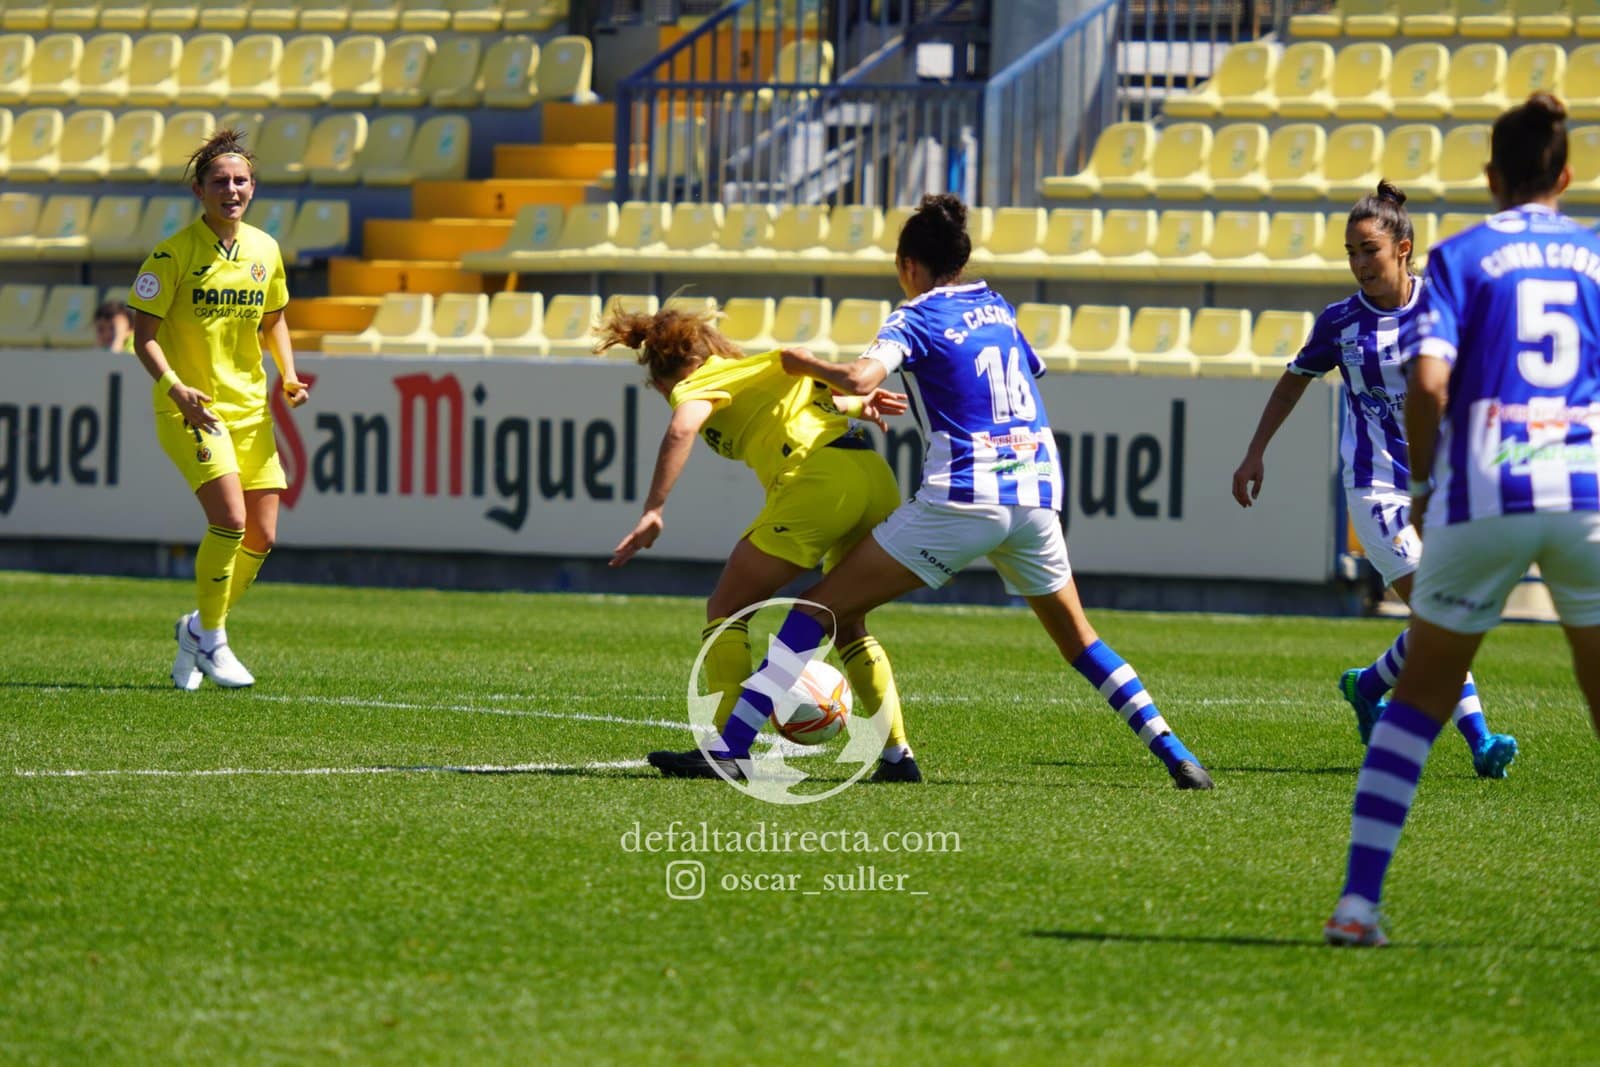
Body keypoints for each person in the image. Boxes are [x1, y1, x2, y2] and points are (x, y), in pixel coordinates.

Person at [648, 194, 1214, 789]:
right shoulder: (998, 307)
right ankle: (1177, 756)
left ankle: (733, 746)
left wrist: (809, 364)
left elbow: (864, 374)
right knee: (1080, 641)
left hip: (963, 497)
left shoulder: (913, 315)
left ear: (908, 264)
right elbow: (1024, 371)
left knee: (815, 609)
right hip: (1039, 492)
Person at [1325, 93, 1600, 946]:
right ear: (1566, 174)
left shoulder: (1460, 256)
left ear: (1489, 178)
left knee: (1416, 705)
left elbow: (1431, 386)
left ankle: (1358, 904)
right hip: (1585, 490)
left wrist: (1426, 488)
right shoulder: (1594, 254)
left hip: (1483, 491)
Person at [1232, 181, 1518, 778]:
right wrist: (1255, 451)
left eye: (1371, 250)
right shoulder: (1339, 322)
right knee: (1440, 612)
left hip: (1439, 489)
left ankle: (1368, 686)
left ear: (1403, 249)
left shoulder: (1442, 309)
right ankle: (1480, 740)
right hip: (1377, 488)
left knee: (1447, 612)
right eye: (1352, 252)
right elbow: (1292, 383)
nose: (1361, 263)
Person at [601, 303, 922, 782]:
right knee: (846, 619)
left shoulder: (696, 383)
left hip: (820, 483)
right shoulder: (756, 370)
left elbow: (683, 427)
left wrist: (653, 508)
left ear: (667, 371)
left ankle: (725, 749)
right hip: (872, 475)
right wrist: (861, 405)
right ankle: (898, 756)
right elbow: (813, 404)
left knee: (727, 606)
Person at [126, 128, 308, 690]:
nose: (232, 190)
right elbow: (143, 335)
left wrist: (289, 374)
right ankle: (214, 639)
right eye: (220, 181)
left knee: (263, 535)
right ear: (200, 191)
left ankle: (198, 630)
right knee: (229, 519)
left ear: (253, 187)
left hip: (251, 408)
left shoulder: (264, 249)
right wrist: (176, 387)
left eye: (241, 181)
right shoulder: (173, 254)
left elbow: (273, 317)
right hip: (193, 409)